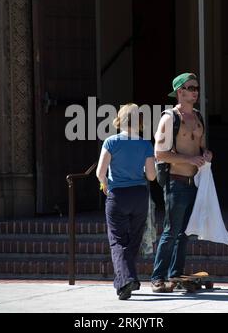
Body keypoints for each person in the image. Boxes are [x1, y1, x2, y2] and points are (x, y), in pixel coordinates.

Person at [151, 72, 213, 293]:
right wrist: (189, 159)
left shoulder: (198, 117)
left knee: (187, 232)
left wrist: (206, 155)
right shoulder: (170, 118)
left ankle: (175, 274)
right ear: (180, 92)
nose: (195, 91)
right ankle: (157, 277)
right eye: (191, 87)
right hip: (176, 183)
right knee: (171, 230)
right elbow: (159, 153)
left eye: (197, 87)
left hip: (194, 182)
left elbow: (202, 147)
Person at [96, 103, 156, 300]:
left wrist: (105, 184)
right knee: (133, 240)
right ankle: (125, 280)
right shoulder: (146, 144)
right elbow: (151, 176)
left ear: (118, 120)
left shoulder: (111, 142)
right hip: (139, 196)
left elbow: (100, 172)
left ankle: (126, 281)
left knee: (117, 240)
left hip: (118, 196)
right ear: (139, 122)